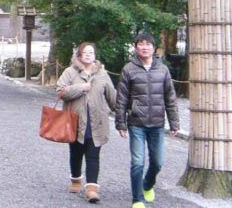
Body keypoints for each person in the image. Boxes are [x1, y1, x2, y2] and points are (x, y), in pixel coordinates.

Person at [116, 33, 180, 208]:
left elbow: (170, 98)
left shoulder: (163, 69)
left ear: (154, 47)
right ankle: (137, 199)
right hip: (136, 123)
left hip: (157, 124)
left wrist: (174, 123)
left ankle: (147, 184)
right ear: (136, 48)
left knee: (158, 162)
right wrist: (120, 123)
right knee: (137, 162)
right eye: (140, 44)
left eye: (148, 44)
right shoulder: (128, 69)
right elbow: (121, 99)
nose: (144, 47)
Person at [57, 42, 116, 203]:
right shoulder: (69, 72)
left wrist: (124, 114)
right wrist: (81, 87)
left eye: (91, 52)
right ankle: (76, 179)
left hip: (97, 122)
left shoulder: (102, 74)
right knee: (75, 153)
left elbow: (112, 97)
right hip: (74, 121)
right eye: (85, 52)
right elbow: (61, 91)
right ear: (79, 55)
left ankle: (92, 189)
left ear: (95, 56)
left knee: (93, 155)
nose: (89, 55)